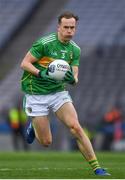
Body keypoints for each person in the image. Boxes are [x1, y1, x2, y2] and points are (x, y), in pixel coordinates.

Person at [20, 11, 110, 176]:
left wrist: (72, 79)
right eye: (66, 27)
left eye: (72, 27)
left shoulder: (75, 50)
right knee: (46, 142)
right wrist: (41, 73)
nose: (69, 30)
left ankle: (97, 168)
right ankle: (32, 125)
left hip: (57, 92)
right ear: (59, 28)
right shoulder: (44, 43)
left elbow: (75, 77)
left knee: (76, 127)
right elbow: (24, 63)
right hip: (36, 94)